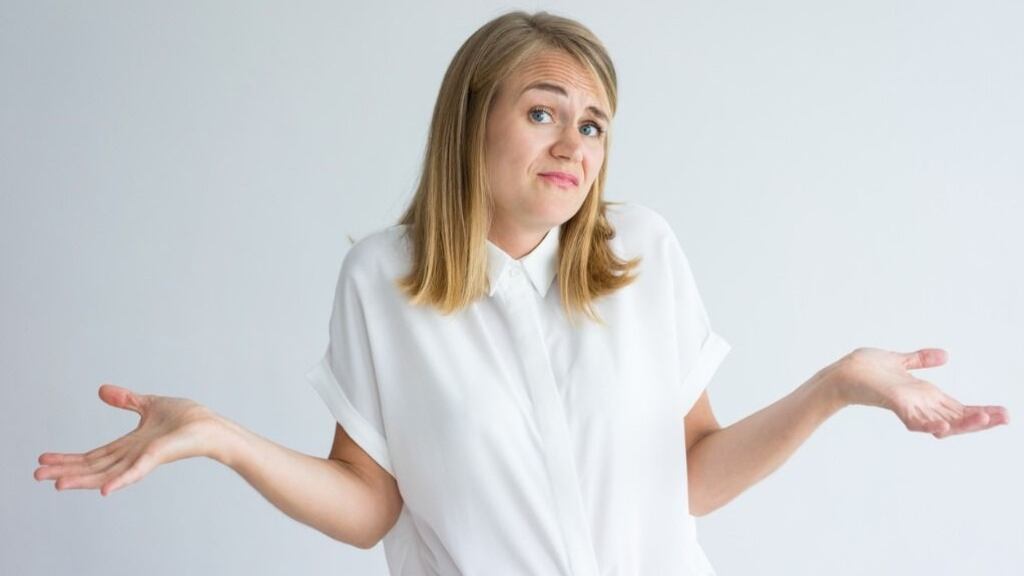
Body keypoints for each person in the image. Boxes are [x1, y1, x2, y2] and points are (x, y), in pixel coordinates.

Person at [34, 10, 1010, 576]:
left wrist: (835, 386)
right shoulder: (383, 279)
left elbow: (693, 476)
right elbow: (370, 508)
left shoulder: (642, 251)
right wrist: (220, 436)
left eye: (591, 124)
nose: (571, 146)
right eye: (543, 111)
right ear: (472, 121)